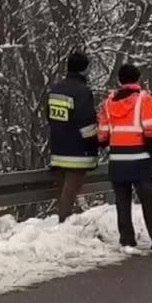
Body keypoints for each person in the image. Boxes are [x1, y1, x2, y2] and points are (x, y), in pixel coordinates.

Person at [97, 63, 152, 251]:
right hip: (140, 158)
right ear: (137, 79)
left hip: (117, 160)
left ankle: (127, 239)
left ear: (119, 80)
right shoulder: (144, 99)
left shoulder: (109, 103)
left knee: (122, 201)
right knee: (148, 199)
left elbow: (102, 134)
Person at [46, 52, 99, 222]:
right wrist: (93, 145)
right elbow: (86, 123)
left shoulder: (55, 89)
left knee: (62, 192)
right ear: (84, 70)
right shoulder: (82, 92)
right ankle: (63, 226)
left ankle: (63, 223)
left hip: (58, 148)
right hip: (77, 152)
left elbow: (50, 117)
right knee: (69, 193)